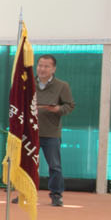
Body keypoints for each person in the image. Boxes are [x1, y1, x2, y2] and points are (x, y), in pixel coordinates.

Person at [35, 53, 75, 207]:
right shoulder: (28, 83)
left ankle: (56, 195)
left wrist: (57, 109)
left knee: (55, 166)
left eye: (46, 66)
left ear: (53, 69)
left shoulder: (62, 86)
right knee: (27, 165)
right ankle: (26, 193)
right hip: (30, 133)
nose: (42, 69)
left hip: (51, 134)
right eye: (40, 65)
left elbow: (69, 106)